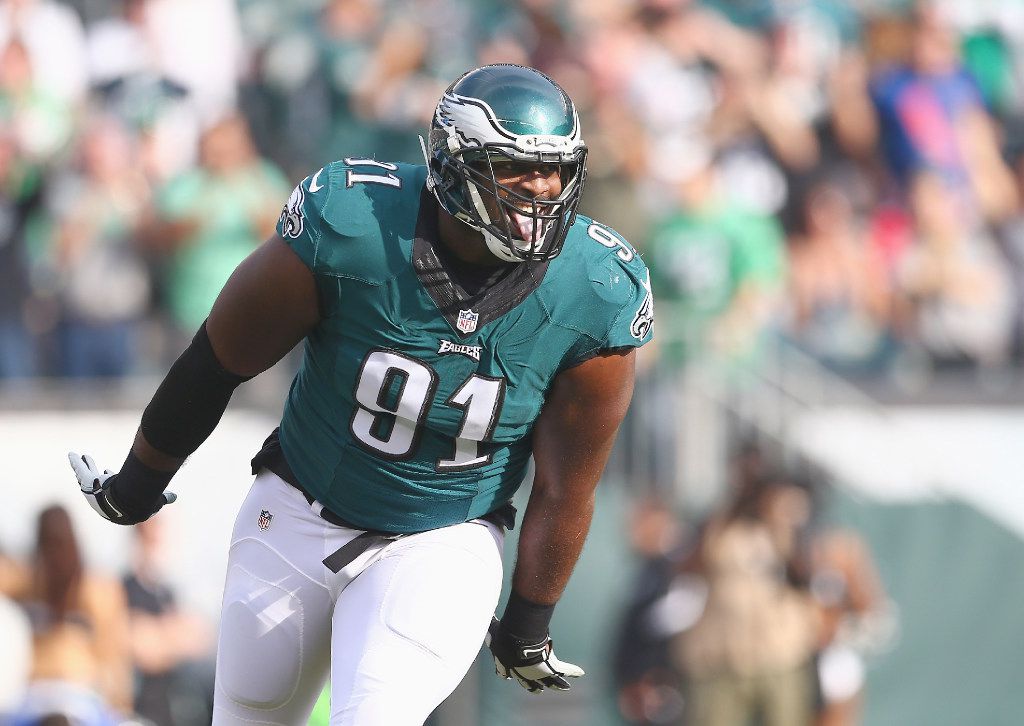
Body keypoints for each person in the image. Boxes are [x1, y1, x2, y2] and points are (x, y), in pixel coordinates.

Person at [68, 63, 654, 725]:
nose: (544, 189)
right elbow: (218, 360)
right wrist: (140, 482)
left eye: (556, 169)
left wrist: (528, 622)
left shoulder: (593, 287)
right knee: (248, 715)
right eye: (517, 167)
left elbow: (565, 485)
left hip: (444, 535)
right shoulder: (356, 224)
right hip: (299, 506)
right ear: (457, 167)